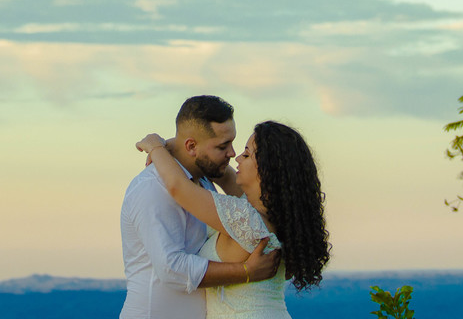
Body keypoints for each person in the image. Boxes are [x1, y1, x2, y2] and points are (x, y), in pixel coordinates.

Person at [135, 119, 329, 319]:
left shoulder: (245, 219)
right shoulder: (275, 217)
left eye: (247, 154)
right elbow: (221, 172)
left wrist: (155, 146)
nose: (237, 158)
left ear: (266, 169)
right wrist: (178, 147)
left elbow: (179, 187)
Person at [120, 96, 282, 319]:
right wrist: (246, 272)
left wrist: (160, 147)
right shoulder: (152, 187)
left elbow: (234, 183)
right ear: (191, 146)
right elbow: (171, 268)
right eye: (223, 146)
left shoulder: (205, 183)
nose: (232, 153)